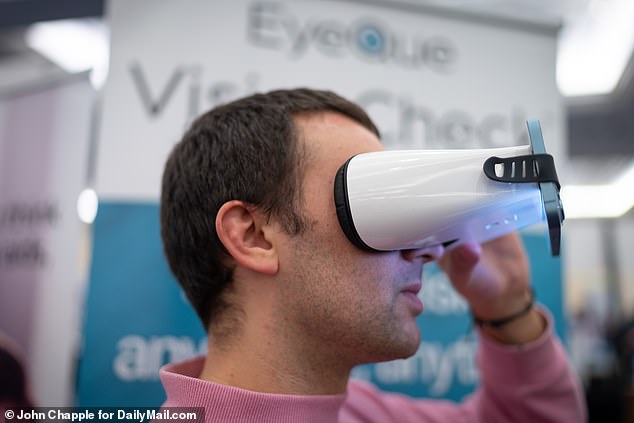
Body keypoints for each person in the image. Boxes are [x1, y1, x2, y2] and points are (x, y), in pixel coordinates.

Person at [158, 88, 586, 422]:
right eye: (379, 205)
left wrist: (507, 306)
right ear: (254, 236)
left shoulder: (356, 411)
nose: (428, 249)